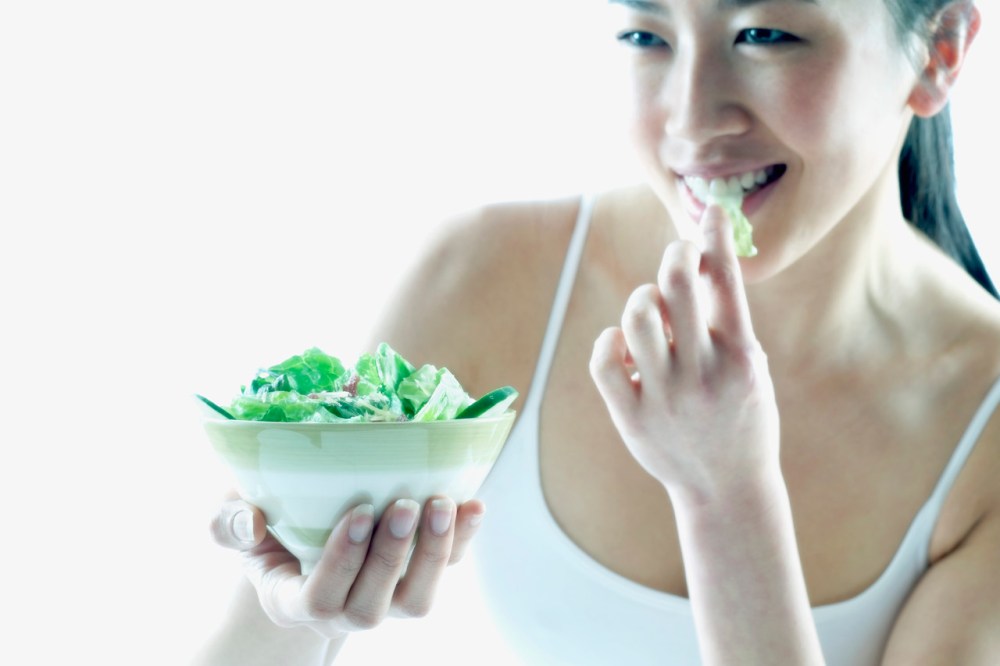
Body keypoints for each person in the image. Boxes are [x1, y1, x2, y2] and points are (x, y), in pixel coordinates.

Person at [193, 0, 1000, 663]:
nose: (690, 117)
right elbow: (254, 638)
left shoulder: (985, 428)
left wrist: (725, 498)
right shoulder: (491, 273)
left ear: (940, 51)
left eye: (763, 35)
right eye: (646, 37)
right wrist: (297, 606)